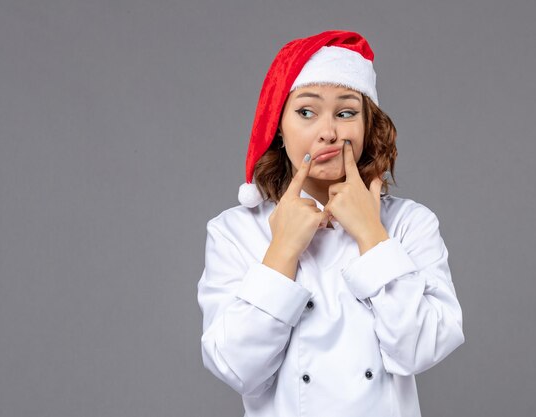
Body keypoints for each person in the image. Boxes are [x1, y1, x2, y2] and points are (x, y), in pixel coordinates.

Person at [197, 30, 464, 417]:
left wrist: (372, 237)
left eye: (346, 112)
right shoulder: (235, 231)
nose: (328, 132)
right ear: (278, 126)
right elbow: (236, 368)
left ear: (366, 126)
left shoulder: (410, 224)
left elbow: (421, 349)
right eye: (306, 112)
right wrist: (282, 252)